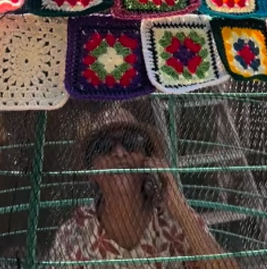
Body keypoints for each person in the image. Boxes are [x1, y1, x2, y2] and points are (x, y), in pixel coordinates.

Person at [47, 106, 240, 269]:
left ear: (147, 161)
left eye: (130, 143)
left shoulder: (173, 220)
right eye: (104, 146)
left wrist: (179, 207)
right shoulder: (75, 233)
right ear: (92, 173)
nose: (120, 153)